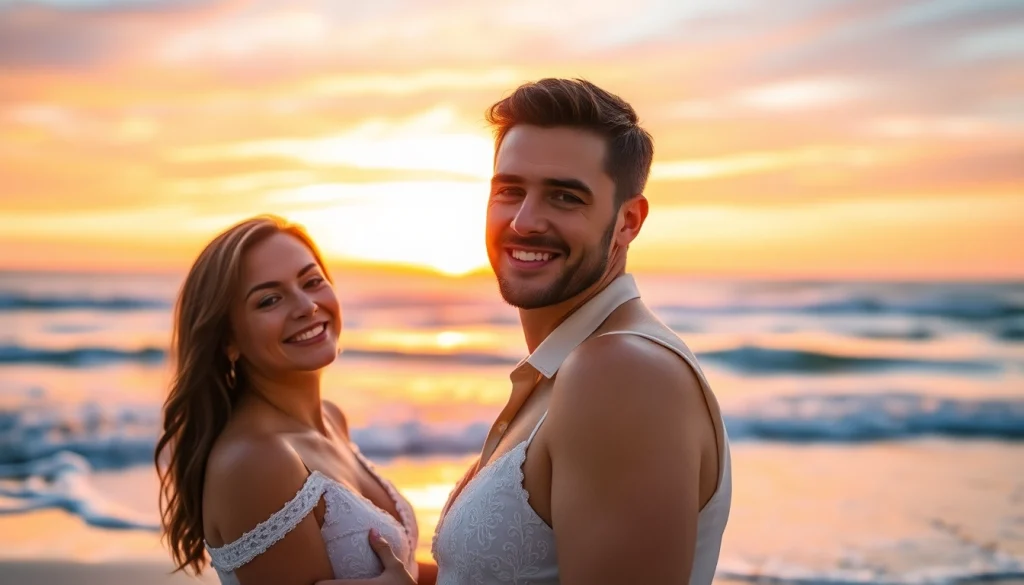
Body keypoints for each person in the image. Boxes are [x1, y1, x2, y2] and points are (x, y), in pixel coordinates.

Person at [367, 78, 732, 584]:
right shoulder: (571, 363)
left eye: (564, 197)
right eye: (509, 191)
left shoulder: (621, 373)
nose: (524, 221)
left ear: (628, 221)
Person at [155, 215, 433, 585]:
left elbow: (404, 572)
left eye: (312, 281)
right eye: (269, 300)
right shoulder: (257, 461)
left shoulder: (331, 420)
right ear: (227, 341)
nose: (307, 306)